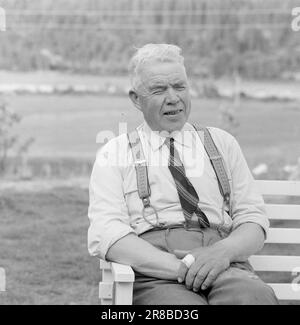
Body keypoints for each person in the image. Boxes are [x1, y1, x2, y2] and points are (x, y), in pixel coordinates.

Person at [88, 43, 278, 305]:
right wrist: (182, 267)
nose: (173, 98)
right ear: (135, 99)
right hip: (156, 274)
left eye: (179, 87)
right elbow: (107, 233)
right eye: (159, 89)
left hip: (224, 264)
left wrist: (221, 253)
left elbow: (253, 220)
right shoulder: (115, 152)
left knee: (254, 297)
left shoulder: (222, 143)